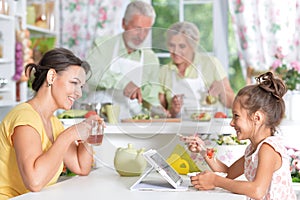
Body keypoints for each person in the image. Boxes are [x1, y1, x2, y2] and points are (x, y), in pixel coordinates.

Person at [0, 48, 103, 199]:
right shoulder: (25, 119)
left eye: (80, 87)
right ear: (52, 76)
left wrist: (89, 132)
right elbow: (34, 181)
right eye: (74, 83)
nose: (79, 93)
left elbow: (81, 167)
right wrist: (70, 134)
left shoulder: (53, 123)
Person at [182, 72, 296, 199]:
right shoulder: (253, 149)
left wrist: (215, 181)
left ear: (257, 118)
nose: (232, 123)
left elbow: (257, 191)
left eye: (236, 116)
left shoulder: (268, 149)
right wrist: (203, 151)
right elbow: (228, 173)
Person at [86, 1, 162, 119]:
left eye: (147, 30)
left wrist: (160, 110)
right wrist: (123, 82)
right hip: (100, 119)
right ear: (123, 23)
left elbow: (152, 97)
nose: (142, 36)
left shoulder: (151, 58)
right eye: (137, 28)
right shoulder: (103, 45)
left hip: (134, 123)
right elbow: (89, 73)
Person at [159, 21, 235, 118]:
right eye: (172, 45)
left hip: (211, 129)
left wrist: (222, 90)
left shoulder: (211, 64)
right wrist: (173, 110)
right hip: (178, 131)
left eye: (182, 46)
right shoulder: (164, 71)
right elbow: (161, 114)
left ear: (193, 45)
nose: (176, 51)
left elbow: (231, 104)